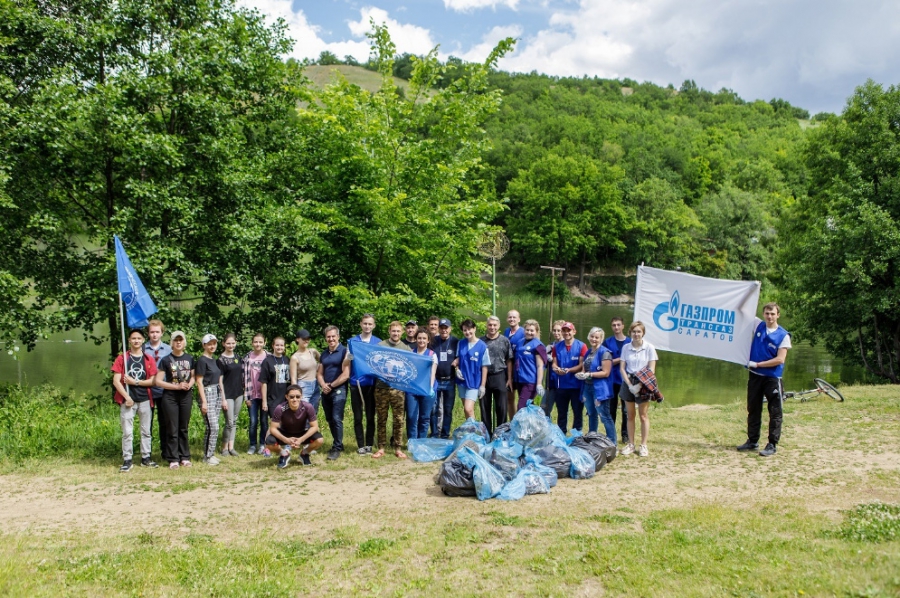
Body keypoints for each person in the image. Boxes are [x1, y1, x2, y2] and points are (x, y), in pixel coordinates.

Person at [737, 302, 791, 457]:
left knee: (775, 412)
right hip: (755, 377)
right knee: (753, 408)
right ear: (763, 314)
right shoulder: (758, 326)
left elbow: (780, 359)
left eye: (773, 314)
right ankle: (752, 441)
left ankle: (772, 444)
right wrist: (746, 292)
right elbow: (742, 311)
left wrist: (758, 364)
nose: (769, 316)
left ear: (778, 315)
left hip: (772, 378)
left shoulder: (783, 336)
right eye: (767, 313)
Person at [112, 328, 159, 472]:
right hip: (128, 401)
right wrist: (127, 397)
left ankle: (146, 458)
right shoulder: (123, 359)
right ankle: (127, 459)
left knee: (146, 431)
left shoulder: (148, 359)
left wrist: (135, 382)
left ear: (143, 340)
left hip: (145, 399)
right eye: (133, 339)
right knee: (127, 432)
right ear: (129, 341)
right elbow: (116, 381)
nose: (136, 341)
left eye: (139, 338)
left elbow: (152, 380)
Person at [154, 331, 196, 468]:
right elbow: (158, 381)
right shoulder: (165, 360)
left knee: (183, 427)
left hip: (186, 396)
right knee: (172, 427)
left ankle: (185, 456)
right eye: (175, 340)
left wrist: (190, 384)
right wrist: (176, 386)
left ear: (184, 342)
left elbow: (194, 376)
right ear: (172, 343)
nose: (178, 342)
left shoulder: (190, 358)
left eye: (181, 340)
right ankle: (173, 458)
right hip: (170, 397)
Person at [619, 321, 658, 457]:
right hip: (628, 382)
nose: (636, 334)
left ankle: (643, 445)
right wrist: (630, 385)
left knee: (643, 415)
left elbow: (651, 369)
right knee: (630, 415)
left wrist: (640, 385)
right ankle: (631, 444)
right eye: (634, 332)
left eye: (639, 332)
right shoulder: (625, 348)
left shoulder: (649, 348)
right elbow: (622, 368)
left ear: (643, 333)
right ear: (630, 333)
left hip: (644, 382)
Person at [374, 321, 412, 459]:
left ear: (401, 332)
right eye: (393, 331)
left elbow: (412, 367)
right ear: (389, 331)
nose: (395, 333)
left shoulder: (406, 348)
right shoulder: (380, 346)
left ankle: (398, 447)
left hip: (398, 390)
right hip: (381, 388)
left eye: (398, 331)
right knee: (381, 418)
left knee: (398, 419)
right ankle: (381, 447)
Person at [265, 385, 324, 468]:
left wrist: (301, 439)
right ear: (286, 397)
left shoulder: (308, 407)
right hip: (285, 433)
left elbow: (314, 426)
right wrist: (286, 440)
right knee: (269, 442)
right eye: (291, 397)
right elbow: (273, 428)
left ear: (301, 396)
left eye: (298, 396)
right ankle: (284, 454)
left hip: (302, 432)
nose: (295, 399)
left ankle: (304, 453)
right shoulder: (280, 408)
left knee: (319, 440)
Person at [317, 325, 350, 460]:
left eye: (333, 336)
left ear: (338, 337)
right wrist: (323, 385)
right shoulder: (324, 354)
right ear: (326, 338)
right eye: (328, 337)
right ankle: (339, 443)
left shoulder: (345, 352)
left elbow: (346, 374)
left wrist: (331, 385)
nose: (331, 339)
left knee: (337, 418)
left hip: (339, 389)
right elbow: (319, 373)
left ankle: (336, 447)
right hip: (326, 390)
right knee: (329, 418)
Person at [349, 314, 380, 455]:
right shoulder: (352, 342)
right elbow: (346, 362)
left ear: (373, 326)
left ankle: (369, 444)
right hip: (356, 384)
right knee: (357, 417)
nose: (367, 326)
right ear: (361, 324)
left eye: (370, 324)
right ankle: (360, 445)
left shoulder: (378, 343)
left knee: (370, 416)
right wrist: (349, 357)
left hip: (372, 385)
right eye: (365, 323)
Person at [577, 327, 616, 441]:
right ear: (589, 337)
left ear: (601, 339)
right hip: (587, 387)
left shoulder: (605, 353)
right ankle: (592, 437)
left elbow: (606, 372)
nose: (594, 339)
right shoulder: (588, 352)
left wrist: (590, 374)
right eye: (592, 336)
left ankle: (612, 442)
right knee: (591, 414)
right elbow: (585, 369)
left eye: (597, 337)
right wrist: (581, 374)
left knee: (604, 416)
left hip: (600, 389)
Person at [195, 334, 227, 465]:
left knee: (212, 427)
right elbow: (199, 381)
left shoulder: (214, 360)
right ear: (204, 345)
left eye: (214, 343)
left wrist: (223, 398)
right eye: (209, 344)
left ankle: (210, 453)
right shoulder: (202, 361)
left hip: (217, 393)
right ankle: (207, 456)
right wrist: (204, 402)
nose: (212, 346)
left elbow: (219, 380)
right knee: (213, 426)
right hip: (207, 393)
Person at [480, 316, 513, 436]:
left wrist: (509, 379)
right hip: (484, 377)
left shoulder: (504, 340)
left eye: (495, 325)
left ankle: (500, 434)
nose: (492, 327)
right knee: (485, 408)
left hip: (500, 375)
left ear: (498, 326)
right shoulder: (481, 341)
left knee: (501, 408)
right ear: (486, 326)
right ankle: (487, 434)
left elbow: (509, 360)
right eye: (490, 325)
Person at [552, 322, 587, 434]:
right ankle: (561, 434)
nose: (566, 333)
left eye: (569, 330)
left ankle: (577, 435)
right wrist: (556, 369)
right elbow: (554, 363)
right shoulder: (557, 347)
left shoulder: (581, 346)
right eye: (564, 330)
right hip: (561, 384)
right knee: (561, 412)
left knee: (577, 411)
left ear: (574, 331)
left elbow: (582, 364)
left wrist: (568, 370)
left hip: (576, 385)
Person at [258, 336, 290, 458]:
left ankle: (283, 444)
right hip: (272, 398)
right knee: (274, 424)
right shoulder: (267, 361)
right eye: (277, 345)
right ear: (272, 346)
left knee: (283, 423)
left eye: (281, 345)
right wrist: (264, 401)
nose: (279, 347)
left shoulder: (287, 360)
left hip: (285, 398)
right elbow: (263, 382)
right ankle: (267, 447)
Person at [452, 319, 490, 420]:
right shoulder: (461, 343)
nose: (467, 332)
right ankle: (469, 430)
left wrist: (482, 386)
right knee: (466, 409)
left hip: (474, 381)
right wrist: (457, 369)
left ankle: (474, 432)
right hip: (462, 381)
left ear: (474, 329)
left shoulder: (482, 346)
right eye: (464, 330)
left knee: (469, 409)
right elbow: (458, 360)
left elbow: (485, 366)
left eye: (469, 329)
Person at [143, 319, 171, 454]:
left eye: (157, 332)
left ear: (162, 333)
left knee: (164, 422)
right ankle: (146, 452)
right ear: (148, 333)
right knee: (147, 423)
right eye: (152, 332)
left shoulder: (168, 349)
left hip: (164, 391)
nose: (154, 335)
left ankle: (165, 450)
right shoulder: (143, 349)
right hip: (147, 391)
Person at [406, 328, 438, 441]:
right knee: (411, 417)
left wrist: (430, 388)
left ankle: (421, 441)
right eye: (419, 338)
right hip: (412, 390)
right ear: (416, 339)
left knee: (424, 417)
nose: (421, 340)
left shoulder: (432, 354)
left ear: (428, 340)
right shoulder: (411, 353)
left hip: (427, 389)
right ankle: (412, 441)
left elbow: (433, 372)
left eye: (424, 338)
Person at [602, 316, 630, 444]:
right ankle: (611, 435)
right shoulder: (607, 342)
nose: (616, 327)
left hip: (626, 379)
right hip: (612, 380)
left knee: (626, 410)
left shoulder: (630, 342)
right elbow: (605, 362)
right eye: (614, 325)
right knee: (611, 409)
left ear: (623, 326)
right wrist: (621, 359)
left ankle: (626, 435)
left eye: (618, 325)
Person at [430, 318, 459, 439]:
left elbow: (461, 355)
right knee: (433, 409)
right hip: (436, 380)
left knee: (447, 409)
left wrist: (458, 359)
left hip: (450, 381)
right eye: (441, 328)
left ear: (450, 329)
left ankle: (445, 434)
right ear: (438, 329)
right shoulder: (433, 341)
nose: (444, 330)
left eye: (446, 328)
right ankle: (435, 433)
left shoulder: (455, 341)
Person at [242, 333, 268, 455]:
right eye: (255, 342)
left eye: (260, 342)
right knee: (253, 421)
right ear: (252, 343)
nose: (258, 344)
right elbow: (243, 378)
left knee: (264, 421)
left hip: (265, 396)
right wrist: (246, 396)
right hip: (251, 395)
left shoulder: (269, 357)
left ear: (264, 343)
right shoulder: (247, 358)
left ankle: (263, 444)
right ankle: (252, 445)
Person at [217, 333, 243, 457]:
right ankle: (224, 448)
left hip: (239, 393)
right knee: (229, 422)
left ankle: (231, 447)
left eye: (233, 343)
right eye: (228, 343)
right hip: (227, 394)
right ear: (223, 344)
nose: (231, 345)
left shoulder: (238, 357)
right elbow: (220, 381)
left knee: (235, 421)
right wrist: (223, 399)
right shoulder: (220, 360)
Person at [513, 319, 548, 410]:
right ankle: (532, 424)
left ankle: (520, 424)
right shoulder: (520, 342)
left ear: (536, 332)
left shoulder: (538, 346)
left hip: (530, 381)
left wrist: (539, 384)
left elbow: (540, 366)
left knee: (521, 407)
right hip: (520, 379)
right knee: (529, 408)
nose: (529, 332)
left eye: (532, 330)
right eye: (527, 330)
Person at [290, 329, 321, 412]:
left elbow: (324, 361)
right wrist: (295, 394)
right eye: (304, 339)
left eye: (308, 339)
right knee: (303, 413)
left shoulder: (313, 352)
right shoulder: (294, 357)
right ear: (297, 339)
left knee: (313, 413)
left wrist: (319, 372)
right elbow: (293, 379)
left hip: (315, 386)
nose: (306, 341)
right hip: (303, 387)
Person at [504, 309, 525, 417]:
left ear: (519, 319)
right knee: (509, 398)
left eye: (514, 317)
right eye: (510, 317)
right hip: (508, 369)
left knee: (522, 400)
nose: (512, 319)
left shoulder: (523, 332)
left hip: (520, 370)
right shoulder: (506, 332)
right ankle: (512, 422)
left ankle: (522, 422)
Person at [542, 320, 565, 419]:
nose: (556, 333)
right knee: (544, 408)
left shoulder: (567, 345)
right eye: (554, 330)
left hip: (563, 383)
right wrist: (545, 356)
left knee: (562, 409)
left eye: (559, 331)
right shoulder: (550, 346)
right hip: (550, 382)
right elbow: (542, 365)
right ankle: (547, 429)